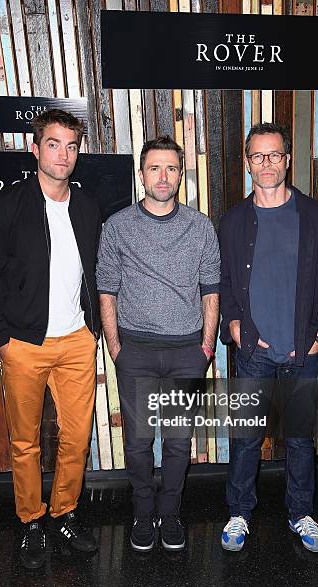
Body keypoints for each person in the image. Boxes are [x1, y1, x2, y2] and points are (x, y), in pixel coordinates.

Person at [0, 109, 101, 569]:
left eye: (70, 145)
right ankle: (31, 520)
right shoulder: (6, 205)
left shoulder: (87, 206)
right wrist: (2, 340)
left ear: (77, 152)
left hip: (76, 343)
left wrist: (93, 330)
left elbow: (95, 272)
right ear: (35, 149)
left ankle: (65, 512)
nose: (62, 154)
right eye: (53, 143)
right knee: (25, 442)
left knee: (77, 437)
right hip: (23, 345)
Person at [219, 122, 318, 553]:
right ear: (247, 163)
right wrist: (235, 327)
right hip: (253, 351)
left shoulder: (317, 217)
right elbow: (222, 280)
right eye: (258, 156)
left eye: (275, 154)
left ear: (288, 160)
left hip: (302, 351)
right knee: (245, 439)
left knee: (298, 438)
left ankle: (301, 514)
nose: (267, 163)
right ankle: (239, 513)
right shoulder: (234, 221)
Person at [96, 135, 220, 552]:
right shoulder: (117, 227)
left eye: (171, 168)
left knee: (179, 442)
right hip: (136, 352)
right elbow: (107, 290)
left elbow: (211, 292)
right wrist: (116, 348)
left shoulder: (201, 227)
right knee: (138, 442)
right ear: (142, 174)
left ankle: (170, 514)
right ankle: (142, 513)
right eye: (155, 168)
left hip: (187, 351)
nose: (163, 176)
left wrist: (205, 347)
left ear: (180, 174)